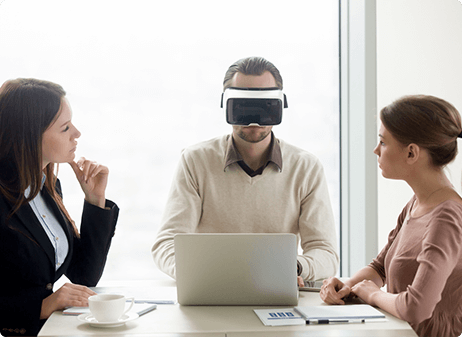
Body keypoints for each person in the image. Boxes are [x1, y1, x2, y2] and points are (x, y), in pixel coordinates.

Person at [152, 56, 339, 283]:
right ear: (226, 105)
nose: (253, 119)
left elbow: (326, 253)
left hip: (277, 289)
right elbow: (166, 244)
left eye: (263, 105)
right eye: (243, 105)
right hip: (211, 289)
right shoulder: (195, 161)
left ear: (280, 105)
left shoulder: (306, 167)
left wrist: (295, 267)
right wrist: (200, 273)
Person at [320, 95, 462, 337]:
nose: (376, 150)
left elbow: (417, 308)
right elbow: (379, 269)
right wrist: (348, 286)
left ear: (411, 153)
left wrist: (373, 294)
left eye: (383, 142)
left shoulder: (446, 218)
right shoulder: (416, 203)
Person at [0, 78, 119, 336]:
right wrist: (43, 305)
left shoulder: (47, 186)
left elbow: (84, 275)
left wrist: (94, 199)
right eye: (65, 128)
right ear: (30, 135)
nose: (77, 133)